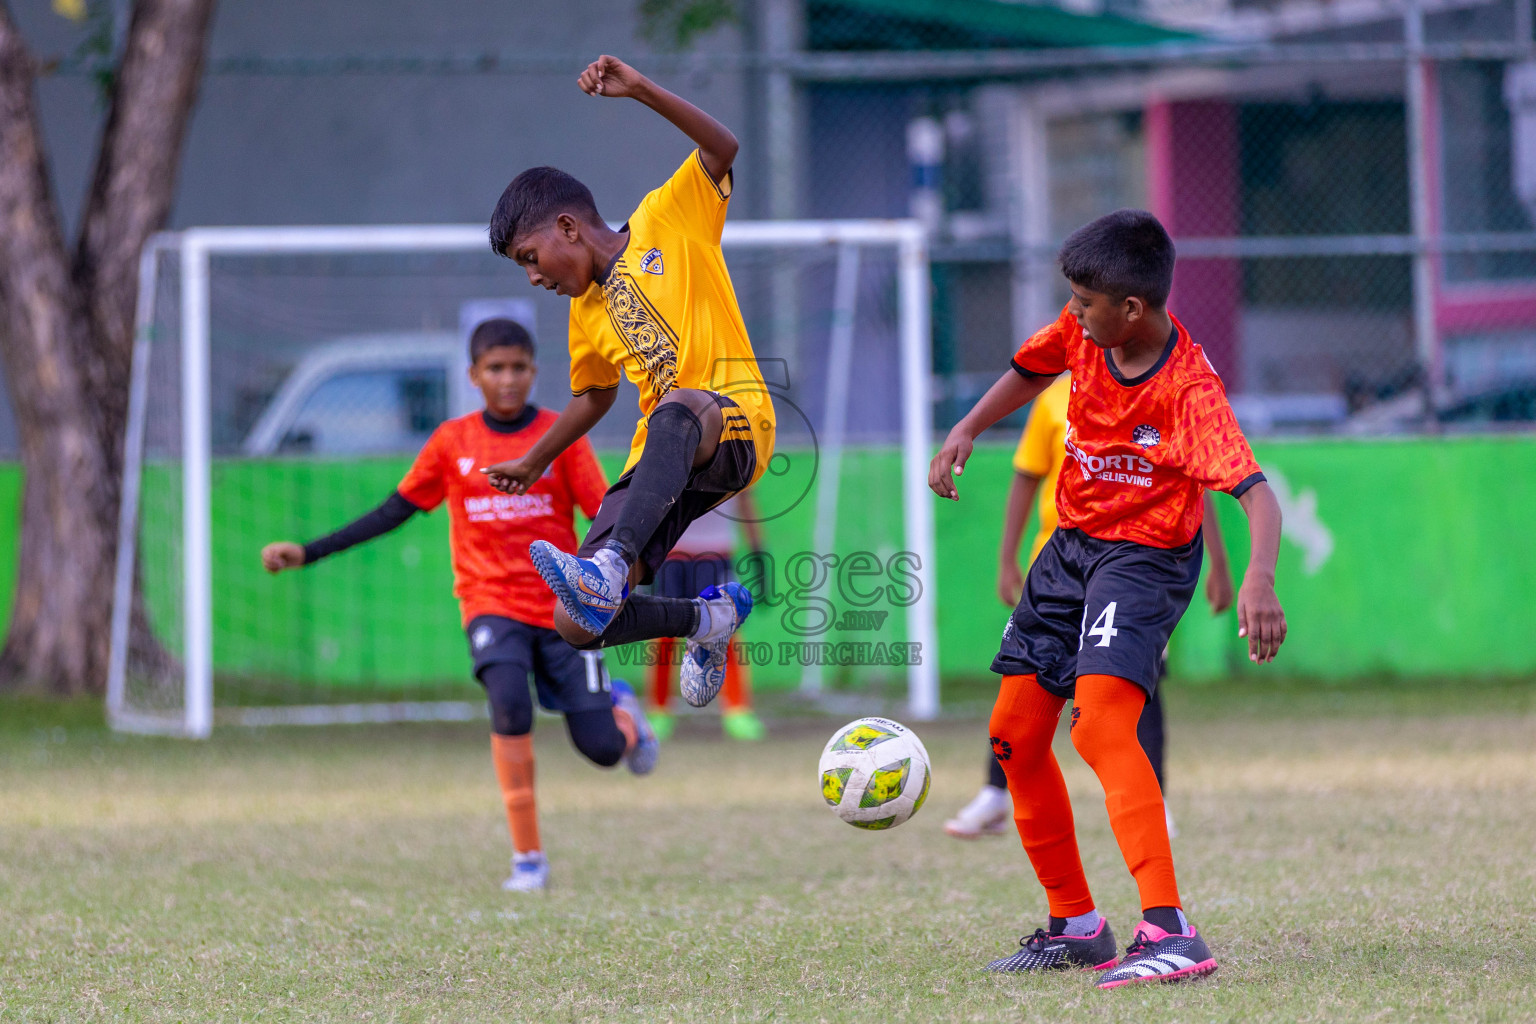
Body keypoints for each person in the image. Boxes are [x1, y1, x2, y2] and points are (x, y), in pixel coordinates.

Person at [929, 209, 1286, 987]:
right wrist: (967, 427)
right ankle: (1078, 924)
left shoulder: (1189, 391)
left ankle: (1171, 930)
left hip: (1146, 560)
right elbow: (1031, 367)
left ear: (1134, 309)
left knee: (1098, 726)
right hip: (1069, 552)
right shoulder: (1085, 328)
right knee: (1013, 738)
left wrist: (1257, 578)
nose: (1074, 313)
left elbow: (1256, 494)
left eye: (1086, 303)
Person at [260, 319, 659, 894]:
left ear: (534, 372)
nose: (507, 379)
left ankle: (625, 719)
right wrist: (308, 552)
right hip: (490, 604)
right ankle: (528, 860)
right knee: (508, 705)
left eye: (518, 367)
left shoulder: (560, 436)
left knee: (599, 749)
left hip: (563, 611)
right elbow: (392, 510)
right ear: (473, 376)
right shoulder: (452, 443)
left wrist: (623, 578)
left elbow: (604, 514)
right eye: (495, 368)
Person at [482, 54, 773, 714]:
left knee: (675, 410)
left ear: (566, 228)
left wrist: (639, 88)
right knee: (577, 623)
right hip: (660, 462)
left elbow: (722, 146)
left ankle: (612, 564)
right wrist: (536, 457)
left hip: (737, 422)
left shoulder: (667, 217)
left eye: (530, 258)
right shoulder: (583, 315)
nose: (533, 276)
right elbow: (594, 394)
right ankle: (706, 623)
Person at [943, 373, 1235, 839]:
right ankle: (996, 794)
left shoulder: (1160, 393)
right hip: (1057, 566)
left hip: (1132, 568)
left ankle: (1152, 799)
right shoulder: (1052, 399)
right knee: (1023, 680)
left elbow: (1196, 484)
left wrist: (1219, 564)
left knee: (1137, 682)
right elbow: (1026, 477)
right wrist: (1006, 559)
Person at [645, 492, 768, 742]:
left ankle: (737, 709)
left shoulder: (738, 453)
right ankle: (658, 710)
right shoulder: (671, 452)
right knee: (665, 632)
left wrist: (758, 552)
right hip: (673, 553)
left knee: (725, 630)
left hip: (716, 553)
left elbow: (745, 496)